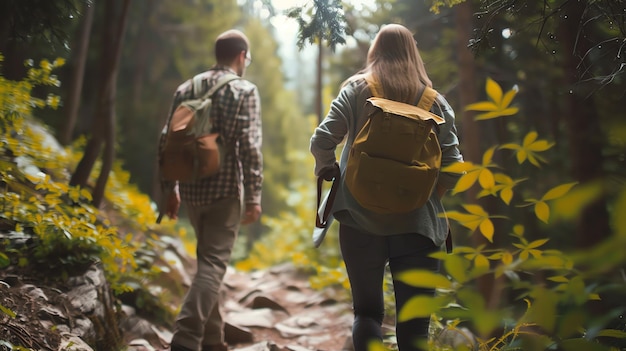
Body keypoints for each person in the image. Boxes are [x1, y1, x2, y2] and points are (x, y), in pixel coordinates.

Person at [309, 24, 463, 351]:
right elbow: (454, 166)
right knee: (415, 326)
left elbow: (322, 140)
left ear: (374, 52)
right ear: (414, 55)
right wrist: (426, 197)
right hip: (419, 227)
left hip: (358, 219)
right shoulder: (435, 103)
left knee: (366, 314)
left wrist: (329, 167)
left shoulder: (356, 90)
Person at [159, 29, 263, 351]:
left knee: (207, 264)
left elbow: (167, 140)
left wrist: (169, 188)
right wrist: (255, 195)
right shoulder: (244, 90)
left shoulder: (186, 88)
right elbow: (249, 146)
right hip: (224, 190)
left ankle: (213, 342)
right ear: (241, 56)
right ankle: (185, 338)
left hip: (191, 189)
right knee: (214, 265)